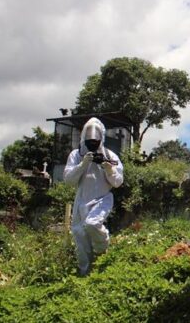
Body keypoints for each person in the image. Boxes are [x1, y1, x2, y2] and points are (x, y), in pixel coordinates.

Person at [64, 117, 124, 276]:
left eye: (95, 140)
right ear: (84, 138)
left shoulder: (110, 155)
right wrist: (83, 164)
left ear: (101, 138)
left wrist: (109, 168)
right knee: (79, 234)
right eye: (89, 140)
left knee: (92, 224)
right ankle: (85, 273)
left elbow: (117, 182)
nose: (92, 143)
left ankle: (102, 249)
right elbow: (68, 180)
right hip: (81, 200)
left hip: (102, 199)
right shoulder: (76, 155)